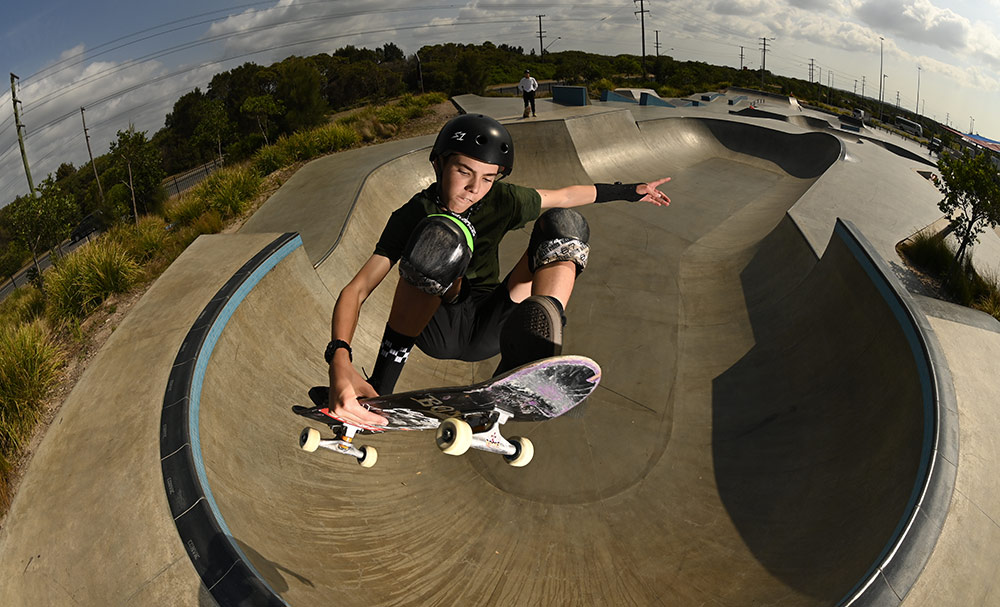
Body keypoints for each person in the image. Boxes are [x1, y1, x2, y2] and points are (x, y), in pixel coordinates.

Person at [323, 114, 671, 428]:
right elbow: (357, 289)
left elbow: (564, 196)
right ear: (439, 164)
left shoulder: (502, 199)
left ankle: (534, 347)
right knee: (441, 235)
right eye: (464, 172)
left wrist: (630, 191)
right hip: (436, 326)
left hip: (490, 324)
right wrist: (340, 361)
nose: (475, 189)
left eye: (488, 178)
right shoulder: (412, 213)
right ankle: (378, 389)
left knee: (565, 223)